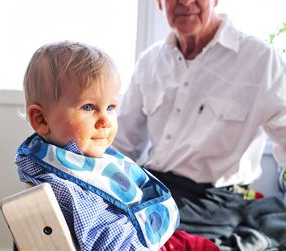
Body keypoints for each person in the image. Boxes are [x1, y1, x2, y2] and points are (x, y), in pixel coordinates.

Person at [113, 0, 286, 250]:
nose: (184, 2)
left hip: (214, 202)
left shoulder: (261, 59)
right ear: (159, 3)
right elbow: (122, 145)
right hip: (153, 186)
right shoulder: (150, 60)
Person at [14, 41, 181, 251]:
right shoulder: (64, 185)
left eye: (111, 107)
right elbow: (108, 241)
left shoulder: (85, 158)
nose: (106, 120)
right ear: (41, 120)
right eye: (88, 107)